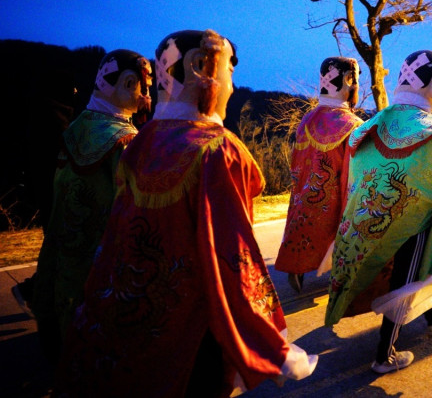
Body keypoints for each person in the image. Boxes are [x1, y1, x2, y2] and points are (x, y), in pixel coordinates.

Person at [55, 30, 316, 397]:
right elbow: (233, 254)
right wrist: (266, 335)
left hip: (130, 315)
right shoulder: (218, 150)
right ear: (199, 67)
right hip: (194, 329)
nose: (230, 85)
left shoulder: (140, 142)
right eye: (228, 72)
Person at [326, 50, 432, 374]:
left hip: (366, 221)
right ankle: (384, 355)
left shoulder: (368, 127)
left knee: (405, 277)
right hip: (416, 224)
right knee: (408, 278)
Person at [29, 50, 152, 363]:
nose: (146, 96)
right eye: (144, 87)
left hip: (59, 261)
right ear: (128, 83)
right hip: (100, 273)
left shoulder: (72, 130)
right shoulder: (127, 142)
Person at [275, 57, 363, 293]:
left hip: (304, 191)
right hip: (333, 195)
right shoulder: (352, 124)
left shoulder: (307, 119)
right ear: (348, 80)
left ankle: (298, 268)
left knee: (303, 224)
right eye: (356, 79)